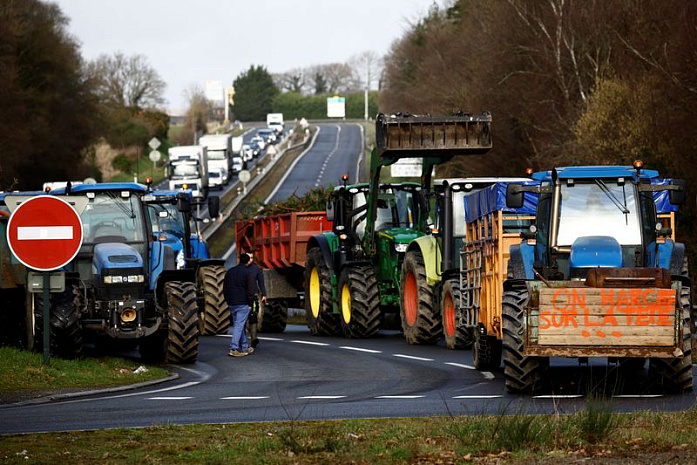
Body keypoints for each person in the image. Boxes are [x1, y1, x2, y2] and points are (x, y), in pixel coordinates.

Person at [223, 253, 256, 357]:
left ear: (239, 260)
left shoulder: (230, 272)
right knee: (239, 325)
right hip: (243, 303)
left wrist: (228, 300)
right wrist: (250, 303)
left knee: (239, 325)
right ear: (248, 261)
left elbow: (225, 288)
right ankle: (234, 348)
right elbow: (251, 290)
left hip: (231, 302)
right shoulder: (248, 272)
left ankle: (245, 347)